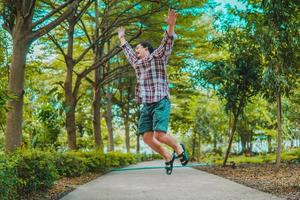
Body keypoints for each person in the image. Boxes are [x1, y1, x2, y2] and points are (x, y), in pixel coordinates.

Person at [118, 9, 188, 175]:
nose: (136, 52)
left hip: (160, 100)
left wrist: (171, 26)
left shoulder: (158, 57)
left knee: (160, 135)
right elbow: (127, 51)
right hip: (147, 104)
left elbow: (167, 42)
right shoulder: (137, 63)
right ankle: (167, 156)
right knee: (147, 138)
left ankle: (179, 148)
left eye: (138, 49)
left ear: (147, 49)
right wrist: (121, 37)